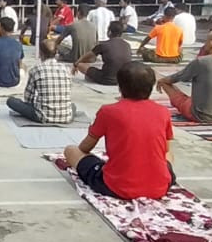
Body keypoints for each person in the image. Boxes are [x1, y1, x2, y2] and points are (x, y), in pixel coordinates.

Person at [63, 63, 174, 200]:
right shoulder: (163, 112)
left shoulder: (108, 111)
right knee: (168, 154)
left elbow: (85, 147)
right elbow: (165, 149)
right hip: (160, 187)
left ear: (120, 87)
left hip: (117, 187)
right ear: (151, 87)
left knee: (71, 151)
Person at [158, 30, 212, 123]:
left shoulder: (202, 62)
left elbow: (178, 77)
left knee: (166, 84)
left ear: (211, 43)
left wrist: (161, 81)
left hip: (199, 115)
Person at [9, 36, 75, 125]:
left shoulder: (36, 69)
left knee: (11, 101)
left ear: (41, 53)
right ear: (56, 53)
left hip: (42, 116)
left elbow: (28, 98)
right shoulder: (66, 69)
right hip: (66, 116)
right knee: (73, 106)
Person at [76, 21, 134, 86]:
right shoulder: (127, 45)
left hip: (107, 79)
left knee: (81, 65)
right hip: (123, 80)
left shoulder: (104, 45)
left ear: (109, 32)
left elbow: (87, 56)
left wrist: (76, 64)